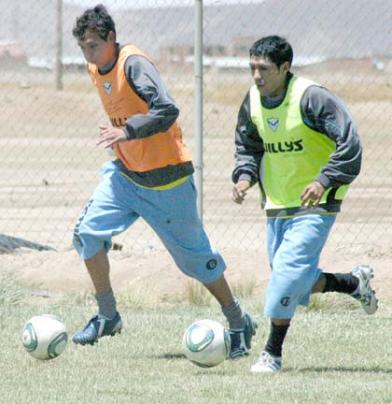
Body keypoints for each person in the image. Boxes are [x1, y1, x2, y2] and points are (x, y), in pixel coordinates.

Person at [71, 4, 257, 358]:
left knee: (196, 262)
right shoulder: (96, 67)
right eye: (83, 48)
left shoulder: (134, 64)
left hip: (167, 181)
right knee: (87, 234)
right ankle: (108, 315)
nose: (89, 54)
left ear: (111, 38)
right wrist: (124, 140)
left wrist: (126, 131)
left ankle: (237, 320)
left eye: (93, 45)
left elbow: (167, 109)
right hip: (125, 177)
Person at [232, 35, 378, 373]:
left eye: (264, 69)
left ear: (285, 68)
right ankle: (353, 283)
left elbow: (350, 144)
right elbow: (247, 145)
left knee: (284, 279)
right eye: (252, 67)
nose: (256, 76)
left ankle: (272, 353)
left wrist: (323, 180)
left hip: (318, 203)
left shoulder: (312, 98)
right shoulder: (252, 101)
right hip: (278, 205)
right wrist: (243, 177)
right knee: (298, 280)